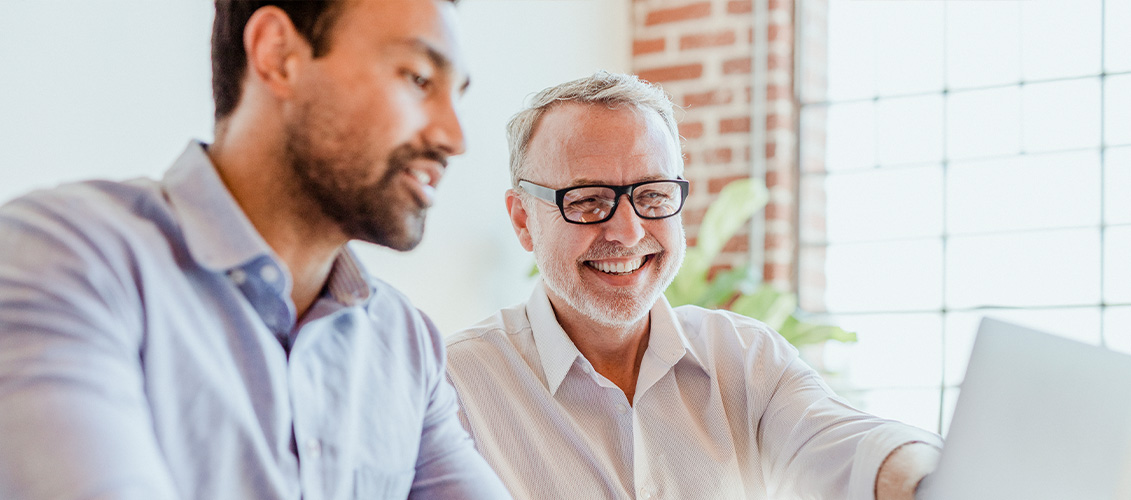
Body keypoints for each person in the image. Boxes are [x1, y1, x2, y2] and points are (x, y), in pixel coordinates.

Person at [0, 1, 511, 498]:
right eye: (418, 78)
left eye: (456, 95)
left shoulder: (405, 343)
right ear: (278, 55)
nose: (454, 137)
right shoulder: (64, 259)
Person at [444, 71, 943, 500]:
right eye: (589, 200)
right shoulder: (451, 387)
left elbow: (846, 447)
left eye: (654, 195)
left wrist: (927, 479)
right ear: (524, 221)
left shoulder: (745, 358)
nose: (628, 231)